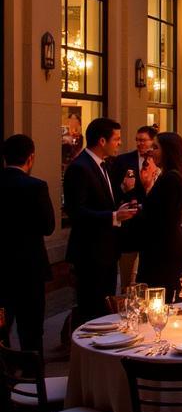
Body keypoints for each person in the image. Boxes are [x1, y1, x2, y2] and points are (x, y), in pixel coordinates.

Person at [63, 117, 139, 326]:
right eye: (116, 139)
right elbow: (76, 212)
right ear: (102, 141)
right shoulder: (80, 168)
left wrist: (123, 198)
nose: (120, 143)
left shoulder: (105, 165)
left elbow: (104, 200)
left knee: (104, 306)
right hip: (90, 252)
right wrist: (113, 216)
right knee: (91, 309)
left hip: (106, 250)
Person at [0, 135, 55, 351]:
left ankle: (5, 371)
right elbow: (48, 226)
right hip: (29, 268)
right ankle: (32, 374)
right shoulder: (36, 186)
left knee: (3, 326)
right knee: (30, 328)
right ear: (30, 158)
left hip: (2, 268)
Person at [136, 132, 182, 298]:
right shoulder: (172, 176)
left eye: (156, 147)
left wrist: (143, 196)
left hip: (163, 250)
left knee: (160, 298)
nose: (151, 151)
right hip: (164, 246)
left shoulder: (171, 178)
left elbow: (159, 216)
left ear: (168, 151)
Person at [110, 124, 156, 291]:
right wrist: (125, 189)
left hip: (150, 224)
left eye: (143, 140)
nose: (140, 144)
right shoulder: (123, 160)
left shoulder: (158, 161)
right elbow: (113, 190)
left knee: (147, 276)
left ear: (152, 141)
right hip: (130, 225)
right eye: (137, 140)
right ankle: (124, 297)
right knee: (127, 273)